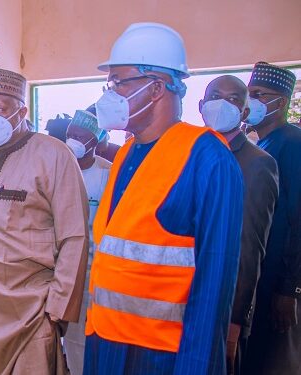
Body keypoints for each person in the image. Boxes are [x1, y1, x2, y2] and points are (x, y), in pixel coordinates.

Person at [83, 23, 243, 375]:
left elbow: (214, 285)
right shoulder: (126, 153)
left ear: (156, 88)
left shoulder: (208, 159)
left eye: (118, 83)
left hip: (160, 357)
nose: (109, 95)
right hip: (105, 342)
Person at [0, 66, 89, 374]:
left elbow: (74, 237)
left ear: (21, 110)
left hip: (30, 311)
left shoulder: (54, 154)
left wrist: (56, 311)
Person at [199, 75, 279, 375]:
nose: (222, 104)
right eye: (215, 96)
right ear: (201, 105)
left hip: (221, 308)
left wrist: (234, 323)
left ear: (245, 113)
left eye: (233, 99)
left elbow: (249, 250)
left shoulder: (258, 163)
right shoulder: (188, 155)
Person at [243, 62, 301, 375]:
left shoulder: (292, 143)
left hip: (278, 282)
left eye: (258, 94)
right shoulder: (260, 144)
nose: (249, 101)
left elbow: (298, 220)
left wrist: (289, 290)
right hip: (259, 278)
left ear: (281, 102)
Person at [62, 106, 112, 375]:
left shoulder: (109, 174)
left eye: (82, 138)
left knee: (95, 340)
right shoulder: (57, 167)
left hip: (96, 274)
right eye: (71, 135)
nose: (74, 142)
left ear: (96, 141)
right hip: (64, 271)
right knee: (72, 342)